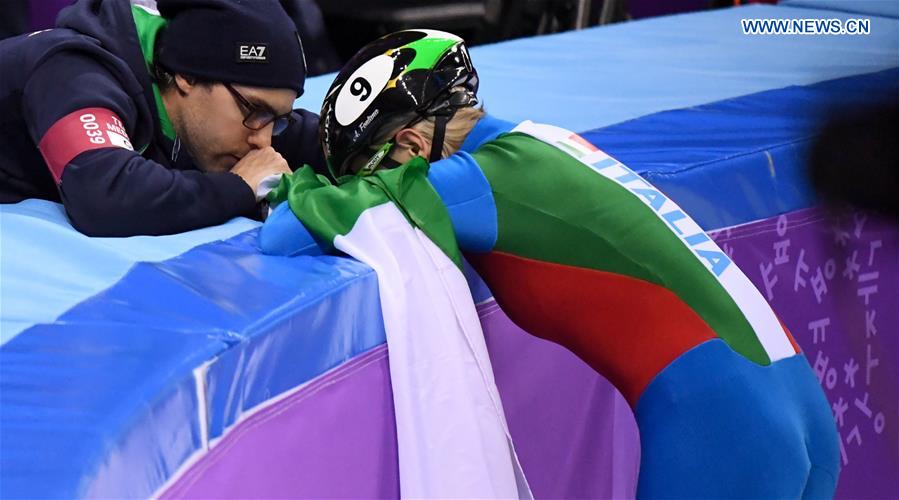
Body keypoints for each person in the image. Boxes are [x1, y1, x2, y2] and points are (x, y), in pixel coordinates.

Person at [261, 30, 842, 498]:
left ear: (413, 147)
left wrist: (273, 182)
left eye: (372, 167)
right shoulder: (538, 144)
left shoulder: (481, 181)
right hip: (795, 405)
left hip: (724, 428)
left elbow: (290, 233)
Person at [0, 0, 324, 236]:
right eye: (254, 111)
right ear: (188, 76)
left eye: (276, 119)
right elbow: (105, 193)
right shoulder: (70, 72)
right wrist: (238, 187)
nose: (262, 140)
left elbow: (311, 137)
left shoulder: (212, 105)